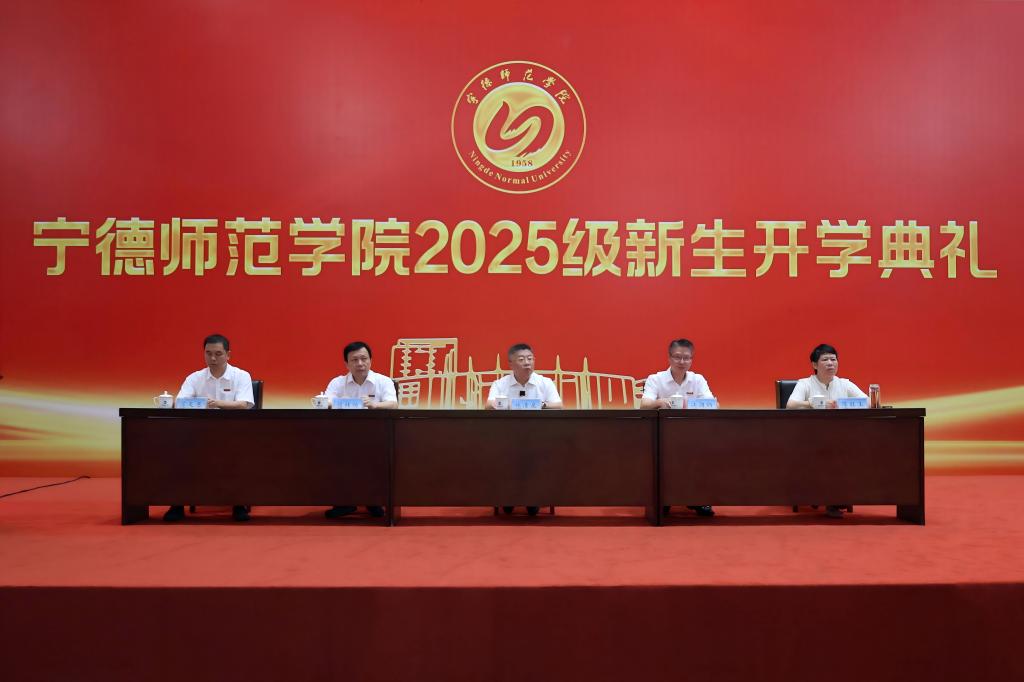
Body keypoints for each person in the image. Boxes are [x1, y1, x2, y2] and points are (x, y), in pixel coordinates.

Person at [163, 333, 255, 523]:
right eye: (208, 353)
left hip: (233, 433)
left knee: (239, 453)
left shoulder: (241, 376)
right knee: (176, 452)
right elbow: (180, 402)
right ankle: (177, 504)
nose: (213, 358)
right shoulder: (195, 378)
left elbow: (244, 404)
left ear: (228, 354)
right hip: (199, 434)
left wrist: (216, 403)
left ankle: (238, 504)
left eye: (218, 354)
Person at [786, 342, 867, 518]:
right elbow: (790, 404)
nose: (830, 363)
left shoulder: (844, 384)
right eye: (825, 359)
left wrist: (841, 404)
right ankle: (831, 499)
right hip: (809, 438)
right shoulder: (805, 383)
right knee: (831, 454)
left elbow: (866, 402)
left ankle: (835, 497)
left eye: (833, 359)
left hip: (841, 437)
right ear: (815, 365)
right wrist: (811, 403)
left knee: (845, 451)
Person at [641, 338, 716, 518]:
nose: (682, 361)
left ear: (691, 360)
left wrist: (684, 404)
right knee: (663, 456)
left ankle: (698, 499)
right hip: (662, 434)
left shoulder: (698, 379)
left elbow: (713, 404)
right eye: (677, 357)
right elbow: (644, 404)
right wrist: (660, 402)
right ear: (669, 358)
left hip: (693, 433)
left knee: (702, 453)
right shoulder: (656, 379)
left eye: (686, 358)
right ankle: (664, 499)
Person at [485, 343, 563, 516]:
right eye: (521, 359)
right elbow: (489, 405)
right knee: (505, 458)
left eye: (530, 359)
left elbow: (558, 405)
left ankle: (533, 498)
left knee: (537, 458)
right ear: (511, 364)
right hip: (507, 437)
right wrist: (511, 404)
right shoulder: (500, 384)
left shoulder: (545, 382)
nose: (527, 363)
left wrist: (542, 405)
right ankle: (507, 498)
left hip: (538, 437)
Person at [323, 341, 397, 519]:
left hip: (376, 435)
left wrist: (375, 405)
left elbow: (393, 404)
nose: (360, 363)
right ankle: (344, 503)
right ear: (346, 364)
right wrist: (351, 403)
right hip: (343, 435)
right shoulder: (337, 382)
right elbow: (326, 402)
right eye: (354, 360)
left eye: (364, 359)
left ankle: (374, 501)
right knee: (336, 454)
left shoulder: (383, 381)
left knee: (373, 456)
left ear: (371, 360)